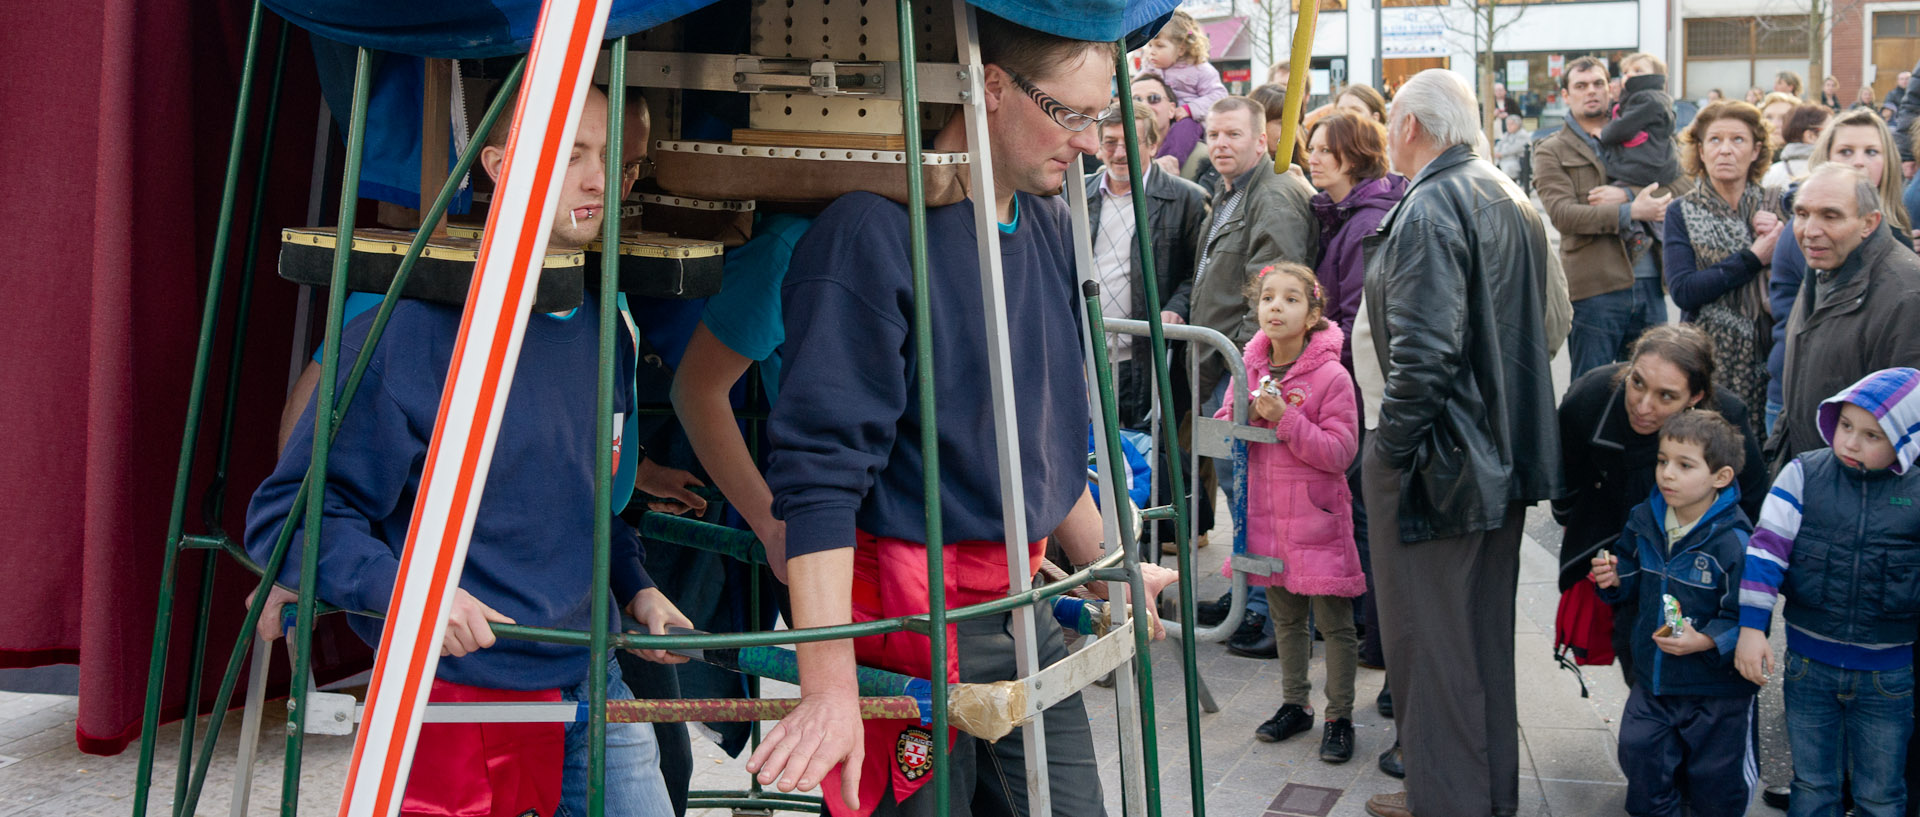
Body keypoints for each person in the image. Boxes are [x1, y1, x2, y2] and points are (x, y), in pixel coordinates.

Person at [747, 12, 1176, 816]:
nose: (1090, 141)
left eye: (1098, 117)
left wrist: (1113, 565)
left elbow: (1042, 451)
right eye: (1069, 113)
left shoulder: (1049, 222)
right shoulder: (869, 231)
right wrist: (830, 683)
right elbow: (819, 477)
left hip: (1017, 604)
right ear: (990, 85)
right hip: (900, 615)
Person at [244, 86, 689, 817]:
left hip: (593, 675)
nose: (598, 180)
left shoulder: (605, 324)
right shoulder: (408, 332)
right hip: (459, 695)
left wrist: (636, 587)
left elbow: (581, 502)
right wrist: (411, 592)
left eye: (610, 157)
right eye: (570, 153)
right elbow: (288, 516)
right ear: (499, 163)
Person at [1356, 68, 1562, 817]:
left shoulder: (1432, 204)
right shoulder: (1503, 191)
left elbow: (1425, 355)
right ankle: (1474, 795)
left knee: (1432, 644)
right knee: (1476, 646)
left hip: (1441, 463)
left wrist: (1389, 451)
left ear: (1411, 127)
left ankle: (1446, 798)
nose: (1386, 136)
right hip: (1492, 456)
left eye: (1390, 123)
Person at [1737, 367, 1920, 817]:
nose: (1851, 443)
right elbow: (1764, 556)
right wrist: (1751, 629)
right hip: (1808, 667)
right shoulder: (1803, 476)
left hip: (1889, 674)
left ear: (1906, 441)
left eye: (1872, 435)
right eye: (1845, 426)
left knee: (1881, 793)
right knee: (1813, 786)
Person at [1554, 325, 1771, 681]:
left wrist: (1725, 569)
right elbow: (1562, 479)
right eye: (1636, 382)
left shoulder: (1726, 419)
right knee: (1634, 649)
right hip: (1620, 545)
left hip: (1700, 562)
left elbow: (1752, 501)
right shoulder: (1590, 397)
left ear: (1696, 397)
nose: (1643, 405)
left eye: (1666, 396)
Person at [1187, 94, 1321, 658]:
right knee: (1242, 487)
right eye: (1213, 135)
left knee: (1260, 491)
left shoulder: (1274, 195)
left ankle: (1273, 614)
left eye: (1233, 135)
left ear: (1261, 139)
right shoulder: (1235, 191)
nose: (1220, 145)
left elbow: (1275, 293)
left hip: (1249, 370)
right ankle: (1248, 595)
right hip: (1230, 366)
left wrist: (1246, 368)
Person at [1218, 264, 1362, 763]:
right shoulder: (1248, 368)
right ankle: (1294, 704)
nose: (1275, 307)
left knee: (1335, 623)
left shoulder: (1331, 375)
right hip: (1268, 517)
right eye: (1268, 298)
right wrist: (1248, 413)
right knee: (1285, 618)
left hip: (1316, 518)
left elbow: (1340, 452)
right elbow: (1226, 426)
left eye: (1291, 299)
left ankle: (1339, 715)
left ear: (1313, 314)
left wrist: (1287, 419)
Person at [1589, 410, 1761, 817]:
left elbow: (1749, 615)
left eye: (1685, 465)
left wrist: (1705, 640)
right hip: (1654, 681)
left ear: (1720, 477)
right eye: (1663, 461)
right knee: (1639, 756)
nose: (1667, 473)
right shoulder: (1643, 518)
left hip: (1716, 693)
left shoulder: (1735, 540)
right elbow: (1631, 569)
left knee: (1716, 786)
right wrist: (1616, 577)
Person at [1304, 108, 1406, 678]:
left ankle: (1371, 626)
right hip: (1344, 380)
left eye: (1324, 149)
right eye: (1311, 147)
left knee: (1361, 506)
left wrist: (1324, 379)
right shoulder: (1338, 213)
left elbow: (1353, 316)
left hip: (1355, 386)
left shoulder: (1367, 222)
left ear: (1354, 155)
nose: (1311, 157)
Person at [1084, 104, 1211, 552]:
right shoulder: (1076, 194)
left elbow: (1198, 273)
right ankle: (1102, 547)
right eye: (1111, 142)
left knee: (1149, 453)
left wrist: (1176, 308)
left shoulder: (1186, 198)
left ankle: (1155, 545)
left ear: (1153, 145)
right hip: (1090, 352)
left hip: (1146, 354)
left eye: (1131, 142)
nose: (1120, 153)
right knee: (1096, 452)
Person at [1765, 109, 1913, 435]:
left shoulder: (1902, 277)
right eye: (1846, 151)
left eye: (1871, 152)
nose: (1810, 230)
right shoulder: (1819, 248)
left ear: (1869, 223)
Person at [1533, 56, 1674, 378]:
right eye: (1580, 86)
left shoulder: (1643, 131)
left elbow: (1680, 183)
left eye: (1598, 83)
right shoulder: (1551, 150)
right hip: (1594, 288)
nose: (1591, 91)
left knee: (1654, 385)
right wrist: (1630, 211)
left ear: (1611, 89)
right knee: (1590, 390)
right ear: (1566, 96)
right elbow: (1563, 215)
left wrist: (1626, 194)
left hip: (1652, 282)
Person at [1663, 100, 1782, 420]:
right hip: (1705, 359)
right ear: (1700, 150)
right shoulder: (1682, 211)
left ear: (1756, 150)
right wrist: (1754, 257)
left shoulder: (1777, 206)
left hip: (1768, 358)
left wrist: (1782, 239)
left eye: (1738, 140)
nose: (1725, 150)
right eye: (1715, 140)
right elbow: (1685, 290)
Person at [1599, 53, 1680, 257]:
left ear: (1656, 75)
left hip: (1644, 164)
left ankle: (1635, 234)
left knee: (1617, 192)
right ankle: (1644, 232)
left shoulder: (1647, 99)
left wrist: (1604, 133)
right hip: (1652, 162)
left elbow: (1618, 130)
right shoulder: (1652, 98)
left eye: (1638, 70)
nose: (1630, 76)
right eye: (1626, 72)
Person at [1143, 11, 1227, 125]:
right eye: (1150, 45)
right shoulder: (1149, 69)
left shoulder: (1200, 70)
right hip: (1159, 119)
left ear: (1181, 49)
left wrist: (1189, 109)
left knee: (1184, 128)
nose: (1151, 52)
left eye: (1159, 46)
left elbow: (1218, 96)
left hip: (1187, 121)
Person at [1134, 72, 1204, 180]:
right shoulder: (1112, 154)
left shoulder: (1203, 157)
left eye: (1154, 98)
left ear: (1172, 110)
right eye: (1135, 101)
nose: (1144, 106)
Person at [1763, 103, 1833, 189]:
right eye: (1831, 131)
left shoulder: (1770, 172)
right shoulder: (1828, 172)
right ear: (1811, 136)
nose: (1836, 136)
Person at [1495, 113, 1532, 182]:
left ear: (1517, 125)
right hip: (1502, 159)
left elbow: (1515, 148)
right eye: (1507, 124)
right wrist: (1496, 152)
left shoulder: (1522, 134)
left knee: (1508, 168)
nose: (1509, 126)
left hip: (1515, 160)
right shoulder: (1507, 134)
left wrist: (1501, 154)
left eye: (1511, 124)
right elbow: (1499, 144)